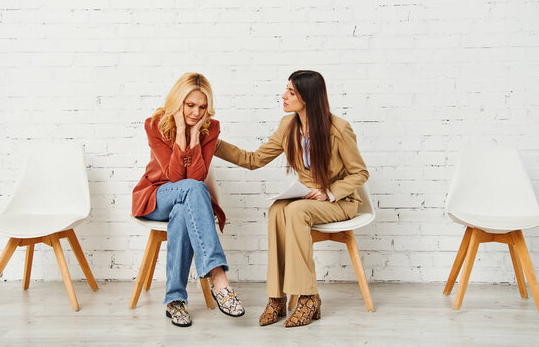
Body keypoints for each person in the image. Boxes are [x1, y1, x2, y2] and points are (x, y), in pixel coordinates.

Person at [215, 70, 369, 328]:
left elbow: (360, 173)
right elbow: (254, 160)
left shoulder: (339, 129)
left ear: (307, 97)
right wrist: (213, 143)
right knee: (277, 210)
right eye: (285, 90)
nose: (283, 96)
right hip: (307, 197)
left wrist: (329, 192)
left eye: (291, 92)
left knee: (296, 212)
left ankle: (308, 297)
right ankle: (277, 297)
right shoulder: (289, 126)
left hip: (339, 201)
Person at [132, 73, 245, 327]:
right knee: (190, 190)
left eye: (202, 107)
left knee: (184, 210)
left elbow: (195, 176)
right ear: (178, 102)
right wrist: (181, 131)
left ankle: (175, 302)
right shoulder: (155, 124)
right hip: (156, 196)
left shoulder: (211, 128)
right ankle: (219, 278)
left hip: (186, 198)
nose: (196, 112)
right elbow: (173, 177)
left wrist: (195, 137)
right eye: (190, 105)